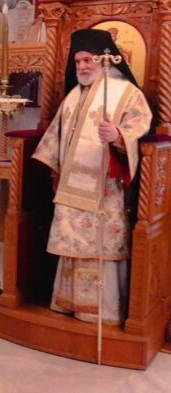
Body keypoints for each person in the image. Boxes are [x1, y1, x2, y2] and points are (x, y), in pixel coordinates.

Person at [32, 29, 152, 326]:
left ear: (104, 60)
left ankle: (103, 310)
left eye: (88, 60)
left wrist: (118, 136)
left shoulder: (126, 93)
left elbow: (141, 127)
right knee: (72, 243)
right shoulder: (74, 95)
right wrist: (54, 169)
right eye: (78, 62)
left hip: (105, 190)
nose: (82, 66)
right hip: (71, 186)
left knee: (100, 246)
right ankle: (68, 302)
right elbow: (56, 135)